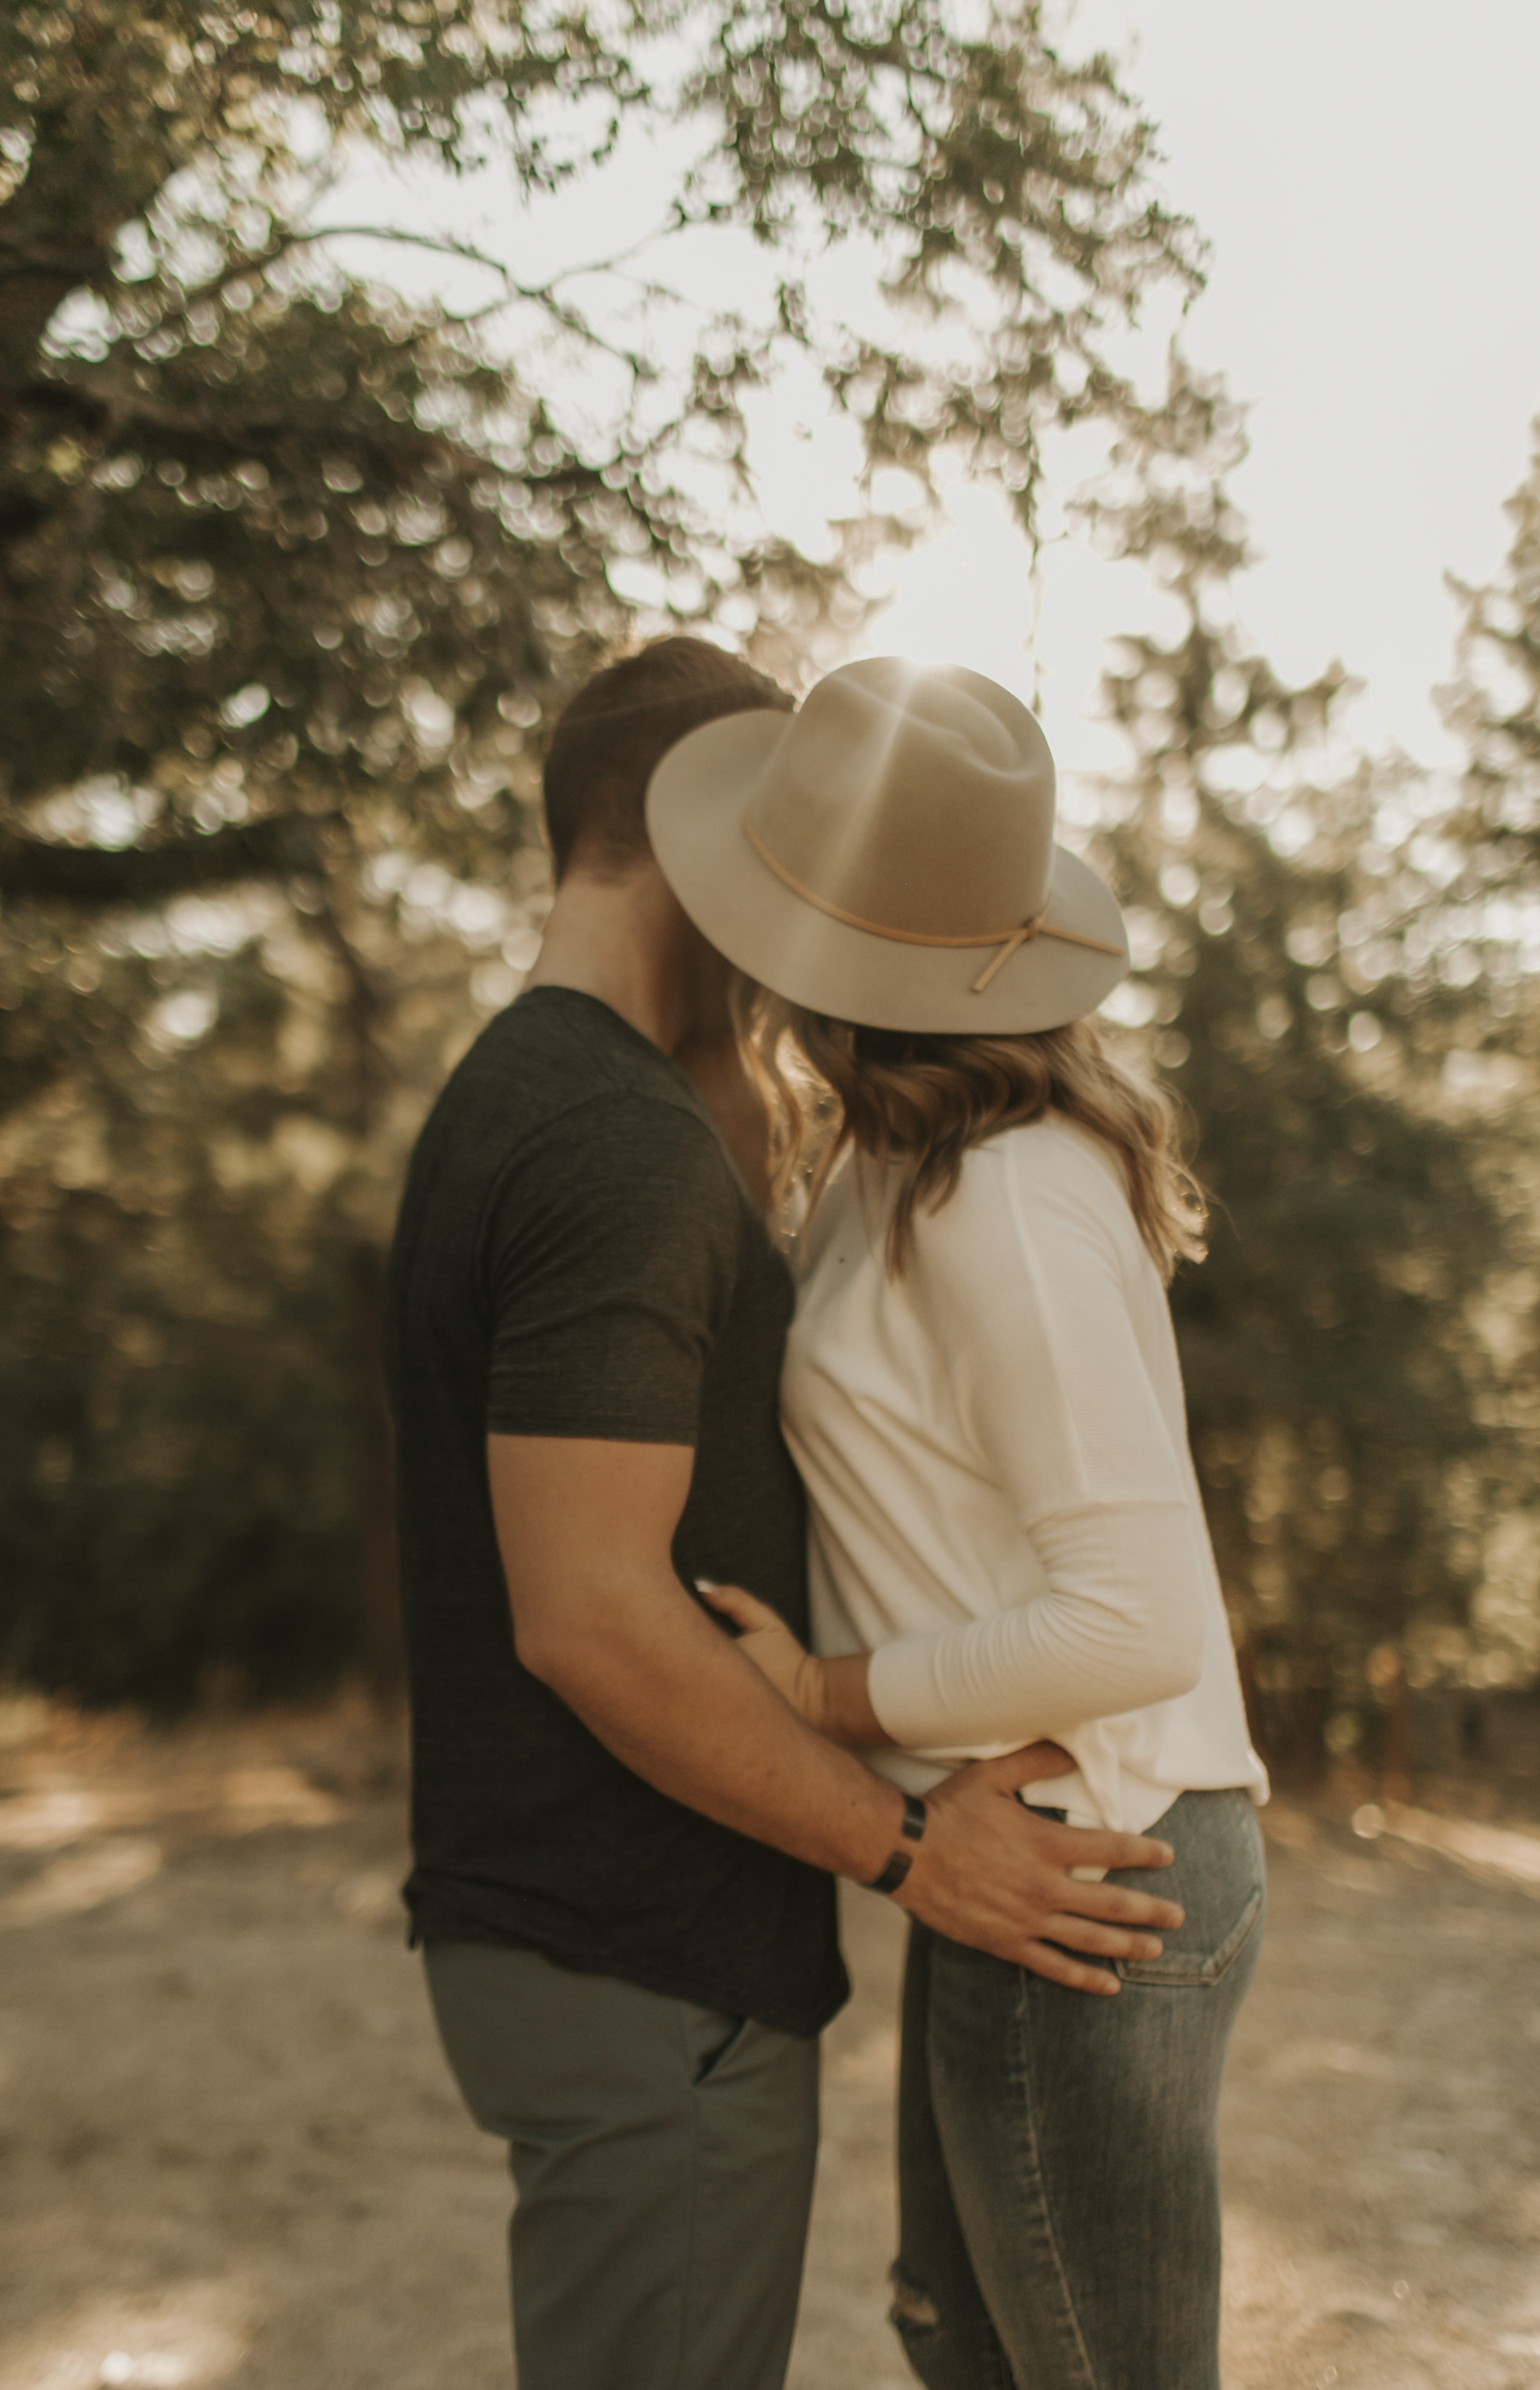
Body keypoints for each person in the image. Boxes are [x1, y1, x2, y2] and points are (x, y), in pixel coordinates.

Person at [383, 637, 1188, 2390]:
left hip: (598, 1936)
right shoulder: (610, 1145)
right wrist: (905, 1849)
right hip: (635, 1950)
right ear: (696, 844)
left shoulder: (544, 1100)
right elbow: (591, 1613)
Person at [647, 655, 1270, 2390]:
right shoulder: (893, 1157)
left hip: (1092, 1856)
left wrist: (823, 1701)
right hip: (1023, 1844)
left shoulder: (1003, 1194)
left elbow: (1134, 1617)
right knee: (970, 2353)